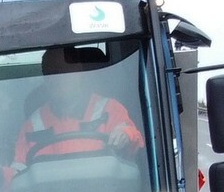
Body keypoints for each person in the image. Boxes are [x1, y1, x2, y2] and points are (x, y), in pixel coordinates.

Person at [7, 45, 145, 182]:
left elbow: (133, 141)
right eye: (50, 73)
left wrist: (125, 134)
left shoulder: (108, 109)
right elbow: (18, 171)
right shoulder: (32, 124)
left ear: (78, 72)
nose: (57, 79)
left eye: (63, 71)